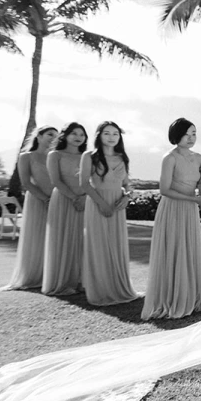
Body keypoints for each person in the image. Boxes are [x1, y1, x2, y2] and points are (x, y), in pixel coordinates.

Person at [142, 118, 201, 320]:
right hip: (172, 209)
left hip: (190, 209)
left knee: (189, 250)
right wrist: (194, 198)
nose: (191, 138)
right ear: (177, 135)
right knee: (174, 249)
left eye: (194, 133)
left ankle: (192, 298)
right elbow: (164, 189)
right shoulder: (170, 158)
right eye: (187, 134)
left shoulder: (199, 157)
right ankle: (171, 298)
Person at [80, 121, 139, 306]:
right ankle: (100, 290)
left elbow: (127, 184)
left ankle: (118, 287)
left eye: (115, 134)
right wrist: (102, 204)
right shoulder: (89, 156)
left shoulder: (122, 157)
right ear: (99, 135)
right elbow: (84, 184)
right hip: (97, 203)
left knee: (116, 245)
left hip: (118, 205)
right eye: (107, 133)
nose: (112, 137)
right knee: (98, 245)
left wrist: (127, 197)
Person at [0, 126, 58, 290]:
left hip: (58, 201)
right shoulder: (26, 156)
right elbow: (25, 183)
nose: (53, 138)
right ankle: (35, 275)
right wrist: (45, 199)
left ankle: (54, 273)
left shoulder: (55, 157)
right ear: (38, 136)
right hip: (37, 201)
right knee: (37, 236)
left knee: (55, 237)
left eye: (56, 136)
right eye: (50, 134)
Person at [42, 122, 89, 296]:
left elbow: (92, 181)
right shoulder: (55, 155)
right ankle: (62, 282)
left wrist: (85, 198)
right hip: (62, 200)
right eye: (74, 133)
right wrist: (74, 198)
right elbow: (56, 181)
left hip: (85, 201)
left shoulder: (88, 156)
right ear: (65, 135)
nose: (78, 137)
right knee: (62, 239)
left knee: (83, 241)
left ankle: (82, 281)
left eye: (82, 134)